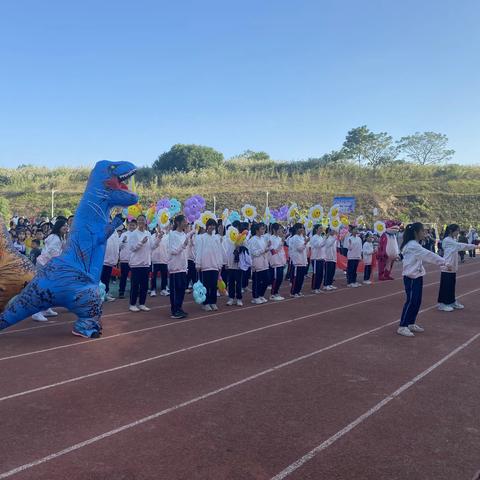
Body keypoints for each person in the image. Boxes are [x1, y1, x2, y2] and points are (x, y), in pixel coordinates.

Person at [397, 222, 450, 337]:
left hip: (417, 275)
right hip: (411, 277)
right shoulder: (412, 245)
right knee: (411, 301)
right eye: (422, 231)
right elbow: (428, 254)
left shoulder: (415, 244)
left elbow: (425, 255)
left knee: (417, 301)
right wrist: (444, 262)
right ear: (416, 232)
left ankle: (411, 323)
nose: (424, 233)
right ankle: (403, 326)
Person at [32, 218, 68, 322]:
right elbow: (52, 252)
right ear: (58, 227)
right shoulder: (55, 238)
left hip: (48, 265)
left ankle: (45, 308)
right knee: (42, 288)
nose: (66, 227)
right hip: (44, 265)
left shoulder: (60, 237)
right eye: (63, 226)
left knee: (48, 288)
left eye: (66, 225)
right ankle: (36, 312)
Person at [437, 224, 476, 312]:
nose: (458, 232)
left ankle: (451, 301)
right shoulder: (447, 240)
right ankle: (442, 304)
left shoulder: (452, 240)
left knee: (451, 285)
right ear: (451, 231)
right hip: (447, 266)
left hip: (452, 266)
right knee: (446, 285)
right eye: (457, 230)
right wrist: (474, 246)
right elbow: (460, 246)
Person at [195, 218, 223, 311]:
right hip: (205, 266)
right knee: (205, 286)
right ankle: (205, 303)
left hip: (214, 265)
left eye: (213, 225)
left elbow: (219, 252)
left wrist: (220, 264)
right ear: (207, 226)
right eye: (210, 225)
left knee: (214, 285)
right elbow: (199, 251)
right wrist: (198, 264)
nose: (212, 227)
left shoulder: (216, 238)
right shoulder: (202, 237)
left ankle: (213, 302)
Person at [167, 215, 190, 319]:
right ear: (178, 223)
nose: (186, 223)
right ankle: (174, 310)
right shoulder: (172, 235)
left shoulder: (183, 234)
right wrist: (184, 245)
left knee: (181, 289)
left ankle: (179, 308)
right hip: (175, 267)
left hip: (183, 266)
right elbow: (173, 251)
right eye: (185, 221)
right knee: (176, 289)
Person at [128, 215, 153, 312]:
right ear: (137, 222)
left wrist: (158, 238)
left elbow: (152, 246)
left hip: (145, 263)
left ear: (146, 221)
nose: (141, 222)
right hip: (136, 264)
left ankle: (142, 303)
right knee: (135, 285)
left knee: (144, 285)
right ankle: (132, 304)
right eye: (139, 220)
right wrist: (141, 242)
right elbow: (132, 248)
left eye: (143, 220)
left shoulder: (148, 233)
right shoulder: (134, 234)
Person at [248, 222, 271, 304]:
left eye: (264, 228)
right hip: (257, 263)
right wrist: (263, 250)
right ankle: (255, 297)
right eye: (262, 229)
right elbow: (253, 252)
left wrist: (268, 246)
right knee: (257, 281)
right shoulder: (252, 240)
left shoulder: (263, 238)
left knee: (266, 280)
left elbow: (265, 249)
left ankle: (261, 295)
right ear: (257, 230)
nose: (264, 230)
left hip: (264, 262)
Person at [288, 223, 309, 297]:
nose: (302, 229)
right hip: (297, 260)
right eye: (301, 228)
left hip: (303, 260)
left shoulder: (302, 237)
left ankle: (298, 291)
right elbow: (299, 249)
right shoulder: (295, 238)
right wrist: (305, 242)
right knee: (296, 278)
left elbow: (305, 249)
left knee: (301, 278)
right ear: (296, 229)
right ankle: (293, 292)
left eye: (303, 228)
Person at [101, 225, 121, 302]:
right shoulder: (104, 229)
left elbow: (117, 245)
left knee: (106, 278)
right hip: (104, 259)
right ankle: (102, 294)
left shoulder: (115, 231)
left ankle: (105, 292)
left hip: (111, 259)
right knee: (103, 278)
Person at [118, 219, 137, 298]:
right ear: (127, 225)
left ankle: (134, 291)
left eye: (133, 225)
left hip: (135, 260)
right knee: (123, 277)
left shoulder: (137, 235)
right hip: (125, 259)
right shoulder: (123, 234)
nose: (131, 226)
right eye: (130, 225)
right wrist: (123, 241)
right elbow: (119, 246)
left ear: (136, 226)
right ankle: (121, 292)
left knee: (134, 277)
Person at [268, 223, 287, 300]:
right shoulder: (271, 238)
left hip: (281, 261)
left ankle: (276, 292)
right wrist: (281, 242)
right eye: (279, 229)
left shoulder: (279, 238)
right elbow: (274, 251)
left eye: (281, 229)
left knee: (280, 278)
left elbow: (282, 251)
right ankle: (272, 294)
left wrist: (284, 260)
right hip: (275, 261)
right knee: (275, 278)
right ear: (274, 230)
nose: (281, 230)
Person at [150, 225, 169, 297]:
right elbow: (152, 246)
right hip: (155, 260)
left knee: (164, 275)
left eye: (161, 227)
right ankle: (153, 289)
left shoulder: (166, 237)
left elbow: (168, 248)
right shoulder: (152, 236)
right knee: (154, 276)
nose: (160, 229)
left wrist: (167, 257)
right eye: (158, 227)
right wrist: (158, 237)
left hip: (164, 259)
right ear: (156, 228)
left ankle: (163, 289)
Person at [309, 224, 326, 294]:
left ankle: (318, 287)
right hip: (316, 258)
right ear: (316, 230)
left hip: (321, 258)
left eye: (322, 228)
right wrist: (325, 239)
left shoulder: (321, 237)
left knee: (321, 274)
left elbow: (323, 246)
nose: (321, 229)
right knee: (316, 273)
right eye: (320, 228)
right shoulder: (314, 237)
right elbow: (318, 245)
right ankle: (314, 288)